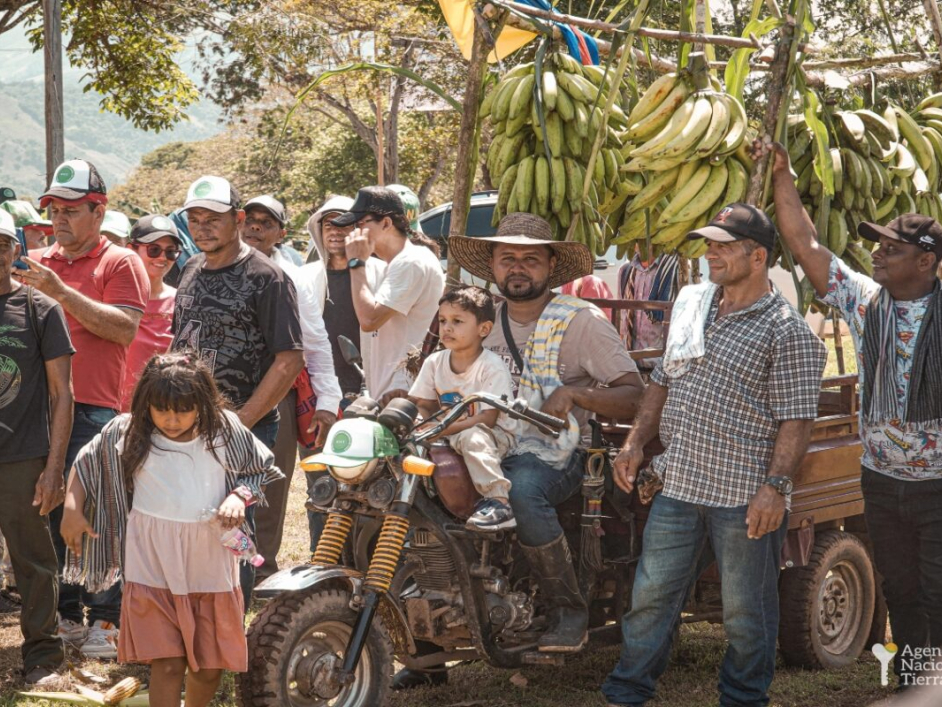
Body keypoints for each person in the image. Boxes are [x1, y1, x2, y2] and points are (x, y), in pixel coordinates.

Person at [601, 203, 826, 707]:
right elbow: (662, 380)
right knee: (650, 598)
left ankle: (743, 699)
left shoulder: (787, 331)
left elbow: (796, 420)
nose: (711, 254)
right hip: (679, 484)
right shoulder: (693, 303)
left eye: (724, 247)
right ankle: (627, 692)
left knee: (746, 613)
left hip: (743, 496)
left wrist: (775, 489)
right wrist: (634, 442)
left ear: (758, 257)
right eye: (709, 245)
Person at [758, 139, 942, 689]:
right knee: (902, 591)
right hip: (882, 482)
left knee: (937, 593)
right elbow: (806, 243)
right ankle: (915, 685)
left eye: (892, 249)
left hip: (938, 487)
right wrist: (782, 175)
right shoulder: (865, 302)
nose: (877, 255)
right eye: (878, 246)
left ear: (927, 261)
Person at [451, 213, 644, 650]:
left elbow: (636, 394)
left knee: (521, 491)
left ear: (551, 266)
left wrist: (576, 395)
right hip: (483, 440)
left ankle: (568, 609)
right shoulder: (476, 319)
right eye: (507, 258)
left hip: (559, 452)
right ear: (492, 265)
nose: (517, 268)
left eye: (530, 259)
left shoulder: (580, 321)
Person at [60, 353, 282, 707]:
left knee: (208, 667)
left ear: (203, 404)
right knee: (167, 663)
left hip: (209, 564)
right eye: (161, 409)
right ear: (146, 403)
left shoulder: (224, 430)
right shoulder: (129, 431)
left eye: (183, 410)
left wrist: (239, 496)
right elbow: (86, 462)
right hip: (152, 563)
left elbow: (258, 468)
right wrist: (72, 509)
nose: (172, 419)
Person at [15, 158, 149, 659]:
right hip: (38, 407)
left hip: (94, 407)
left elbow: (124, 329)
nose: (60, 219)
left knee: (97, 510)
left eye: (71, 210)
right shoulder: (33, 260)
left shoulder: (121, 262)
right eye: (54, 210)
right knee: (47, 509)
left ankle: (106, 617)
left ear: (99, 211)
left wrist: (60, 291)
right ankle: (66, 613)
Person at [171, 175, 303, 603]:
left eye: (213, 218)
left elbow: (289, 360)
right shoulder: (190, 268)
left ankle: (232, 622)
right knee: (189, 525)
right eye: (195, 219)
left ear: (239, 219)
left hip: (244, 429)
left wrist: (240, 423)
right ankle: (193, 616)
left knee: (233, 532)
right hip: (185, 425)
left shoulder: (268, 277)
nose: (203, 227)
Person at [241, 194, 341, 582]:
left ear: (281, 234)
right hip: (221, 394)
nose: (255, 227)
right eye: (249, 219)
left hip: (276, 394)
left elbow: (315, 343)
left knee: (269, 484)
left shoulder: (293, 278)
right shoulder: (212, 267)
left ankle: (261, 568)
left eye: (266, 223)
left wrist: (327, 401)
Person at [0, 209, 74, 685]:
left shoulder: (39, 308)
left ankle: (43, 656)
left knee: (33, 562)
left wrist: (54, 468)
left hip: (22, 457)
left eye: (2, 244)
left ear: (15, 250)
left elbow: (62, 393)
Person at [409, 286, 518, 531]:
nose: (447, 328)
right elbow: (423, 404)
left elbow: (488, 419)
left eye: (457, 321)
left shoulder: (491, 366)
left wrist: (441, 429)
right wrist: (420, 422)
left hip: (494, 435)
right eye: (443, 321)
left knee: (472, 437)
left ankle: (499, 502)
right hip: (448, 432)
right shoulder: (434, 362)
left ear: (484, 329)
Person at [331, 186, 445, 402]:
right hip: (390, 394)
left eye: (360, 224)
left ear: (386, 223)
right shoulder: (394, 264)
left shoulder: (411, 262)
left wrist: (356, 262)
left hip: (403, 395)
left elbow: (369, 319)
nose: (354, 233)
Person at [119, 215, 182, 412]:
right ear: (131, 250)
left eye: (170, 252)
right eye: (153, 249)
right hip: (112, 412)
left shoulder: (182, 302)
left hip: (163, 413)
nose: (162, 258)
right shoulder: (113, 299)